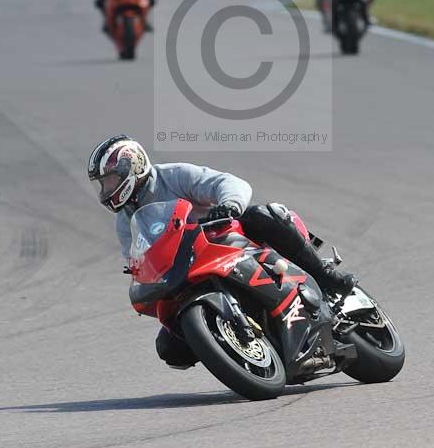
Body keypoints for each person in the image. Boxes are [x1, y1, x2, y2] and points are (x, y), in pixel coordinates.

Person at [88, 135, 358, 369]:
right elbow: (136, 258)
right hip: (184, 269)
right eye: (103, 184)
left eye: (110, 181)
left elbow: (227, 182)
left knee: (264, 214)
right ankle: (232, 345)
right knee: (169, 347)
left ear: (133, 166)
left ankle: (325, 277)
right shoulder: (125, 221)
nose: (107, 190)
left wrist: (229, 204)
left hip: (223, 239)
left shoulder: (174, 175)